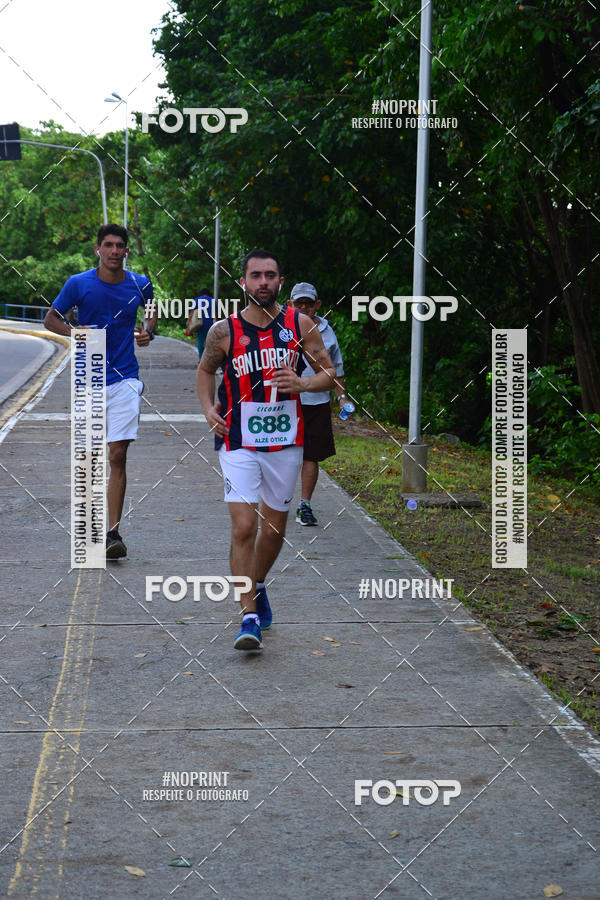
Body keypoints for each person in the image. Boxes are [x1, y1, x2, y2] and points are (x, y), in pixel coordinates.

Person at [197, 250, 335, 651]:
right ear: (243, 282)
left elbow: (329, 374)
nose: (262, 282)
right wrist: (208, 408)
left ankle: (256, 583)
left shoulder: (300, 325)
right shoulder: (224, 332)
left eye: (270, 276)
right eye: (255, 275)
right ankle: (249, 615)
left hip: (285, 440)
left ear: (280, 282)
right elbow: (206, 370)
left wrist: (304, 384)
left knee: (274, 529)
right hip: (237, 438)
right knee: (244, 526)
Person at [44, 223, 157, 559]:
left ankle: (113, 532)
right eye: (107, 245)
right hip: (88, 376)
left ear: (126, 251)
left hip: (125, 378)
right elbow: (50, 318)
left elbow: (151, 311)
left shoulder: (140, 283)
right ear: (98, 250)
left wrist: (147, 331)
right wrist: (73, 331)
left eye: (119, 245)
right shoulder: (78, 283)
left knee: (117, 454)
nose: (113, 251)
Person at [290, 282, 349, 526]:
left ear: (317, 305)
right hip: (286, 402)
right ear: (290, 305)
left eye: (308, 303)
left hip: (317, 401)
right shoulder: (280, 327)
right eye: (298, 303)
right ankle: (274, 506)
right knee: (280, 456)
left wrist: (342, 396)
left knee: (311, 456)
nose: (303, 307)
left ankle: (305, 505)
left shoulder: (327, 331)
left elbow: (337, 369)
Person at [185, 288, 214, 360]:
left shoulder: (197, 299)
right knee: (209, 342)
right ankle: (208, 359)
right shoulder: (212, 300)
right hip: (209, 324)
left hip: (199, 324)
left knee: (200, 342)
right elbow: (216, 313)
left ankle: (201, 359)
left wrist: (188, 321)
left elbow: (192, 311)